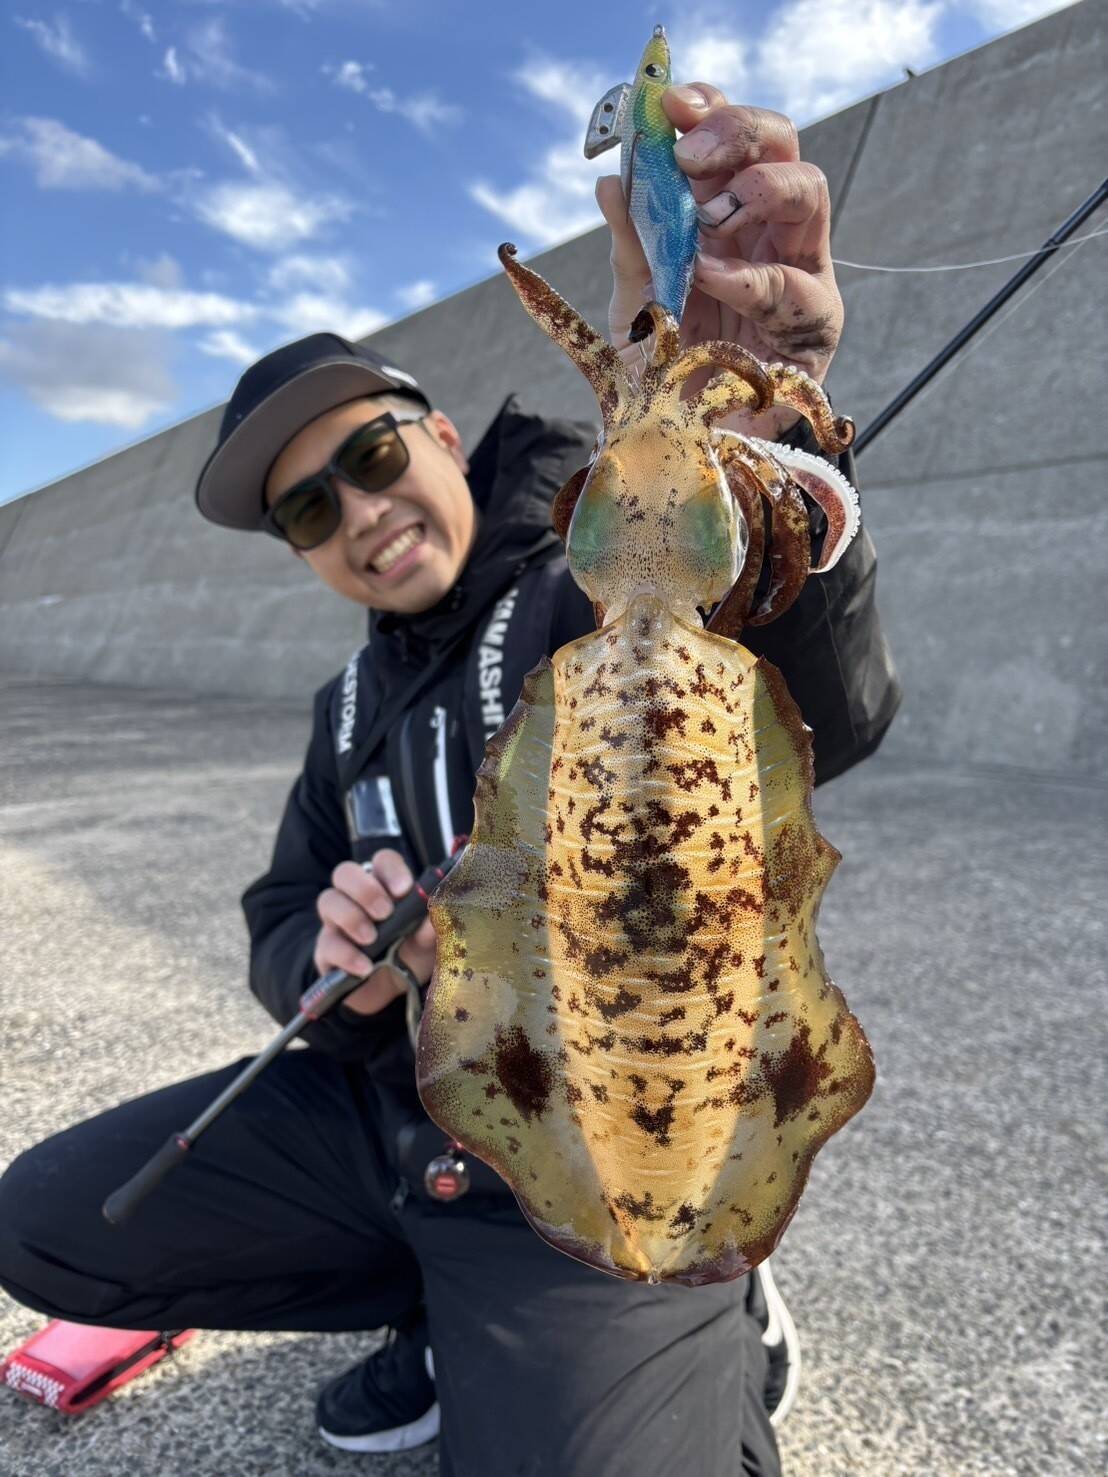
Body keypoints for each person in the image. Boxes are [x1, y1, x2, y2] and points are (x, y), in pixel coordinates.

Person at [0, 85, 900, 1475]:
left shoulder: (579, 590)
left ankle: (700, 1295)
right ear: (302, 549)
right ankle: (441, 1304)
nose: (361, 512)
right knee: (44, 1221)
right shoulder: (346, 706)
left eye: (369, 456)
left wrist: (763, 456)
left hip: (599, 1128)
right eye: (312, 506)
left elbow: (810, 700)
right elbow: (277, 910)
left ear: (433, 429)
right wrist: (336, 952)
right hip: (398, 1111)